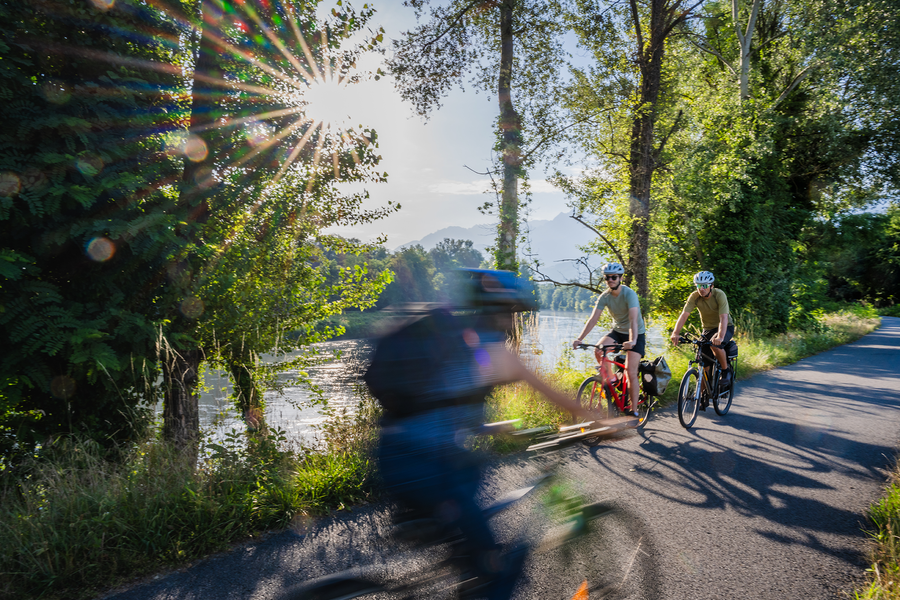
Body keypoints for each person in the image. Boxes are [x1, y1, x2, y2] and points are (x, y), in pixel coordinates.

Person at [366, 268, 610, 600]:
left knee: (470, 538)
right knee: (496, 571)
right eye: (514, 312)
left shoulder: (452, 342)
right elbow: (555, 396)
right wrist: (604, 423)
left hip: (397, 459)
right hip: (431, 471)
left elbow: (440, 409)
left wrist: (497, 427)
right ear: (501, 310)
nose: (514, 320)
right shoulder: (492, 349)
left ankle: (469, 571)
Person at [571, 262, 646, 418]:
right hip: (618, 332)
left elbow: (633, 320)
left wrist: (632, 341)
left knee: (630, 371)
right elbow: (593, 319)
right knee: (599, 349)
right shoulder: (605, 296)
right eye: (607, 277)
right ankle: (612, 378)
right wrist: (580, 338)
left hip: (636, 333)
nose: (610, 280)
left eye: (613, 277)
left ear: (620, 278)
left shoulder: (629, 294)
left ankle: (633, 410)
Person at [669, 270, 735, 397]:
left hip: (725, 327)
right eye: (699, 285)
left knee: (716, 346)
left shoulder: (719, 295)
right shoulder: (694, 297)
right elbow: (684, 315)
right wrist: (675, 333)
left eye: (704, 286)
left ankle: (725, 371)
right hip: (707, 329)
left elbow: (723, 318)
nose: (701, 289)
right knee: (704, 363)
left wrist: (720, 336)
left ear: (711, 286)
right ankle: (701, 396)